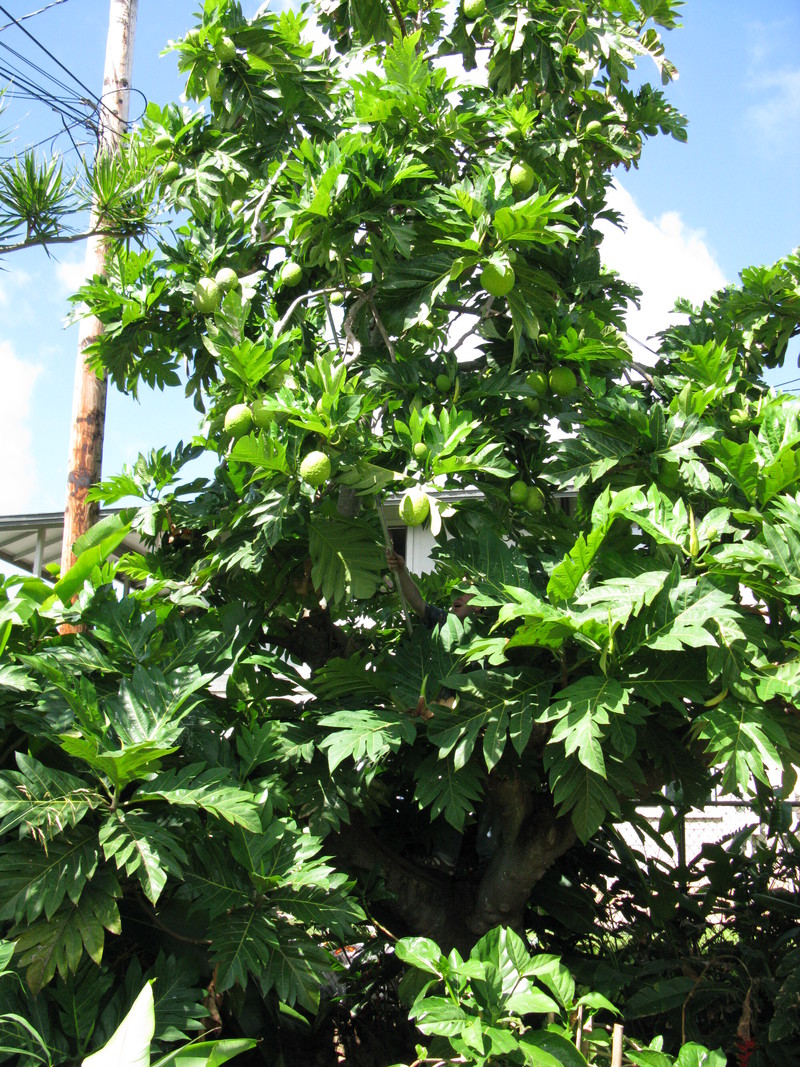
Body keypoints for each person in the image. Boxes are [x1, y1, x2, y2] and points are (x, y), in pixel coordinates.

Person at [384, 547, 483, 629]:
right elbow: (418, 603)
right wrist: (401, 571)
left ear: (479, 604)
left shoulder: (489, 632)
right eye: (457, 590)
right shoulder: (444, 622)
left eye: (466, 591)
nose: (457, 596)